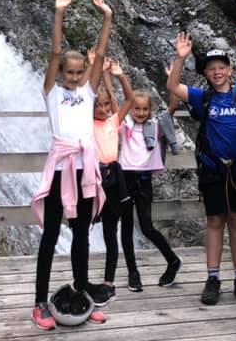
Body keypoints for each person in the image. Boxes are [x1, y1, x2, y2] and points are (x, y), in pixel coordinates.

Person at [30, 0, 111, 330]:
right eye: (70, 72)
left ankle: (82, 294)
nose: (75, 77)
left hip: (84, 172)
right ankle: (40, 302)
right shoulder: (52, 93)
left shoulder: (88, 92)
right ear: (61, 72)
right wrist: (59, 13)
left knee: (81, 235)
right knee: (50, 235)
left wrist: (107, 16)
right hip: (61, 169)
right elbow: (54, 52)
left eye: (80, 72)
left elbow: (101, 52)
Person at [166, 29, 236, 307]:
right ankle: (213, 278)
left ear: (230, 70)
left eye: (221, 67)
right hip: (212, 168)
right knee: (215, 221)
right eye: (211, 69)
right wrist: (180, 58)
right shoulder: (203, 97)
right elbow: (173, 86)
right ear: (206, 74)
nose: (217, 72)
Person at [114, 68, 182, 291]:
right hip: (124, 179)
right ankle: (133, 272)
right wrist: (112, 75)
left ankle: (173, 260)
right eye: (137, 108)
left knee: (147, 227)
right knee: (125, 227)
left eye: (145, 109)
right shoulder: (124, 125)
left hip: (143, 181)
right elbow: (115, 104)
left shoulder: (155, 126)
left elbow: (172, 108)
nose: (141, 113)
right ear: (130, 108)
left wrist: (171, 78)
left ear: (149, 110)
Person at [92, 57, 134, 298]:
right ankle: (82, 277)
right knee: (84, 229)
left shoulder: (112, 121)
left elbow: (129, 99)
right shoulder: (86, 123)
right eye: (98, 105)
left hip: (113, 181)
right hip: (93, 180)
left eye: (106, 104)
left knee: (110, 232)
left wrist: (119, 75)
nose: (103, 109)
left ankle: (109, 280)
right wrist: (95, 68)